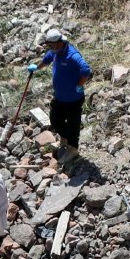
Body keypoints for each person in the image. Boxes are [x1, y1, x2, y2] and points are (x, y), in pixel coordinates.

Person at [28, 28, 92, 163]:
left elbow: (86, 70)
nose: (50, 48)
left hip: (73, 99)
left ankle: (72, 148)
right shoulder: (55, 52)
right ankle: (65, 139)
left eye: (51, 45)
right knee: (55, 120)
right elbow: (46, 59)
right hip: (60, 97)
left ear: (59, 42)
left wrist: (79, 85)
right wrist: (37, 67)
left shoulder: (72, 55)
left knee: (73, 124)